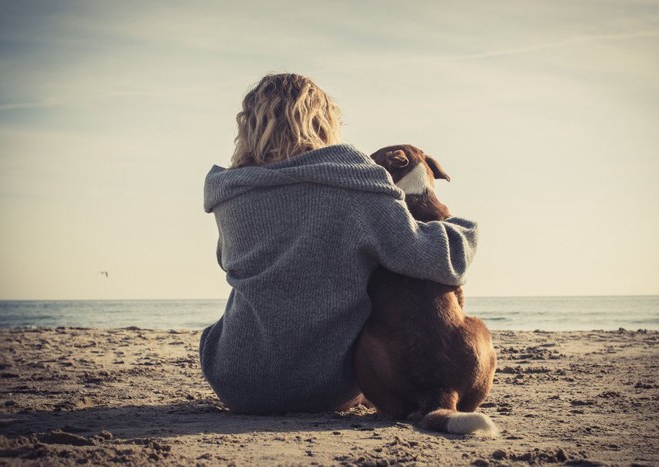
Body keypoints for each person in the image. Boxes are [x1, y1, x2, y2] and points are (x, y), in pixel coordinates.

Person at [200, 73, 478, 414]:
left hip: (235, 380)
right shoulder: (354, 184)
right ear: (323, 124)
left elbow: (227, 261)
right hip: (325, 388)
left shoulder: (231, 193)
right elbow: (431, 259)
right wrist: (463, 228)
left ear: (250, 126)